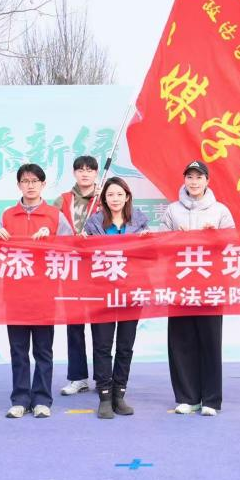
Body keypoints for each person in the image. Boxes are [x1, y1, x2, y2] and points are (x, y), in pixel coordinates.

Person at [0, 163, 73, 419]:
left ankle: (41, 399)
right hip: (15, 292)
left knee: (43, 350)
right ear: (19, 185)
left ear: (43, 184)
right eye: (25, 181)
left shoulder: (54, 215)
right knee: (18, 350)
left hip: (44, 292)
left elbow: (70, 247)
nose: (30, 186)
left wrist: (51, 236)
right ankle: (19, 399)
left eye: (35, 181)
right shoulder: (7, 215)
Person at [160, 160, 235, 416]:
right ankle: (187, 397)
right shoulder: (172, 210)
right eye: (190, 177)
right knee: (181, 341)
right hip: (179, 284)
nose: (194, 182)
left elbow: (234, 245)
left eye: (199, 177)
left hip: (210, 285)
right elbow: (160, 244)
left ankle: (211, 400)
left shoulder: (220, 211)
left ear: (207, 181)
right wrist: (174, 238)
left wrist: (217, 236)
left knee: (210, 341)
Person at [82, 177, 150, 419]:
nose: (115, 199)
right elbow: (85, 257)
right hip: (101, 293)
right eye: (110, 195)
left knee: (125, 345)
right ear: (104, 199)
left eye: (120, 194)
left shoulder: (140, 222)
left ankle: (119, 394)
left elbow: (150, 257)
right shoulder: (93, 224)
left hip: (131, 292)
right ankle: (104, 395)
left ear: (127, 197)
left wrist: (148, 242)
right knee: (102, 345)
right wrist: (82, 242)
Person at [52, 155, 102, 396]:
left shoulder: (105, 198)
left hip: (100, 268)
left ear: (96, 173)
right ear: (74, 173)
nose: (85, 173)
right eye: (80, 170)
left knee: (101, 326)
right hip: (71, 268)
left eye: (89, 170)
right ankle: (78, 377)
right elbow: (51, 227)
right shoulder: (62, 200)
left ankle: (103, 377)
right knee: (74, 325)